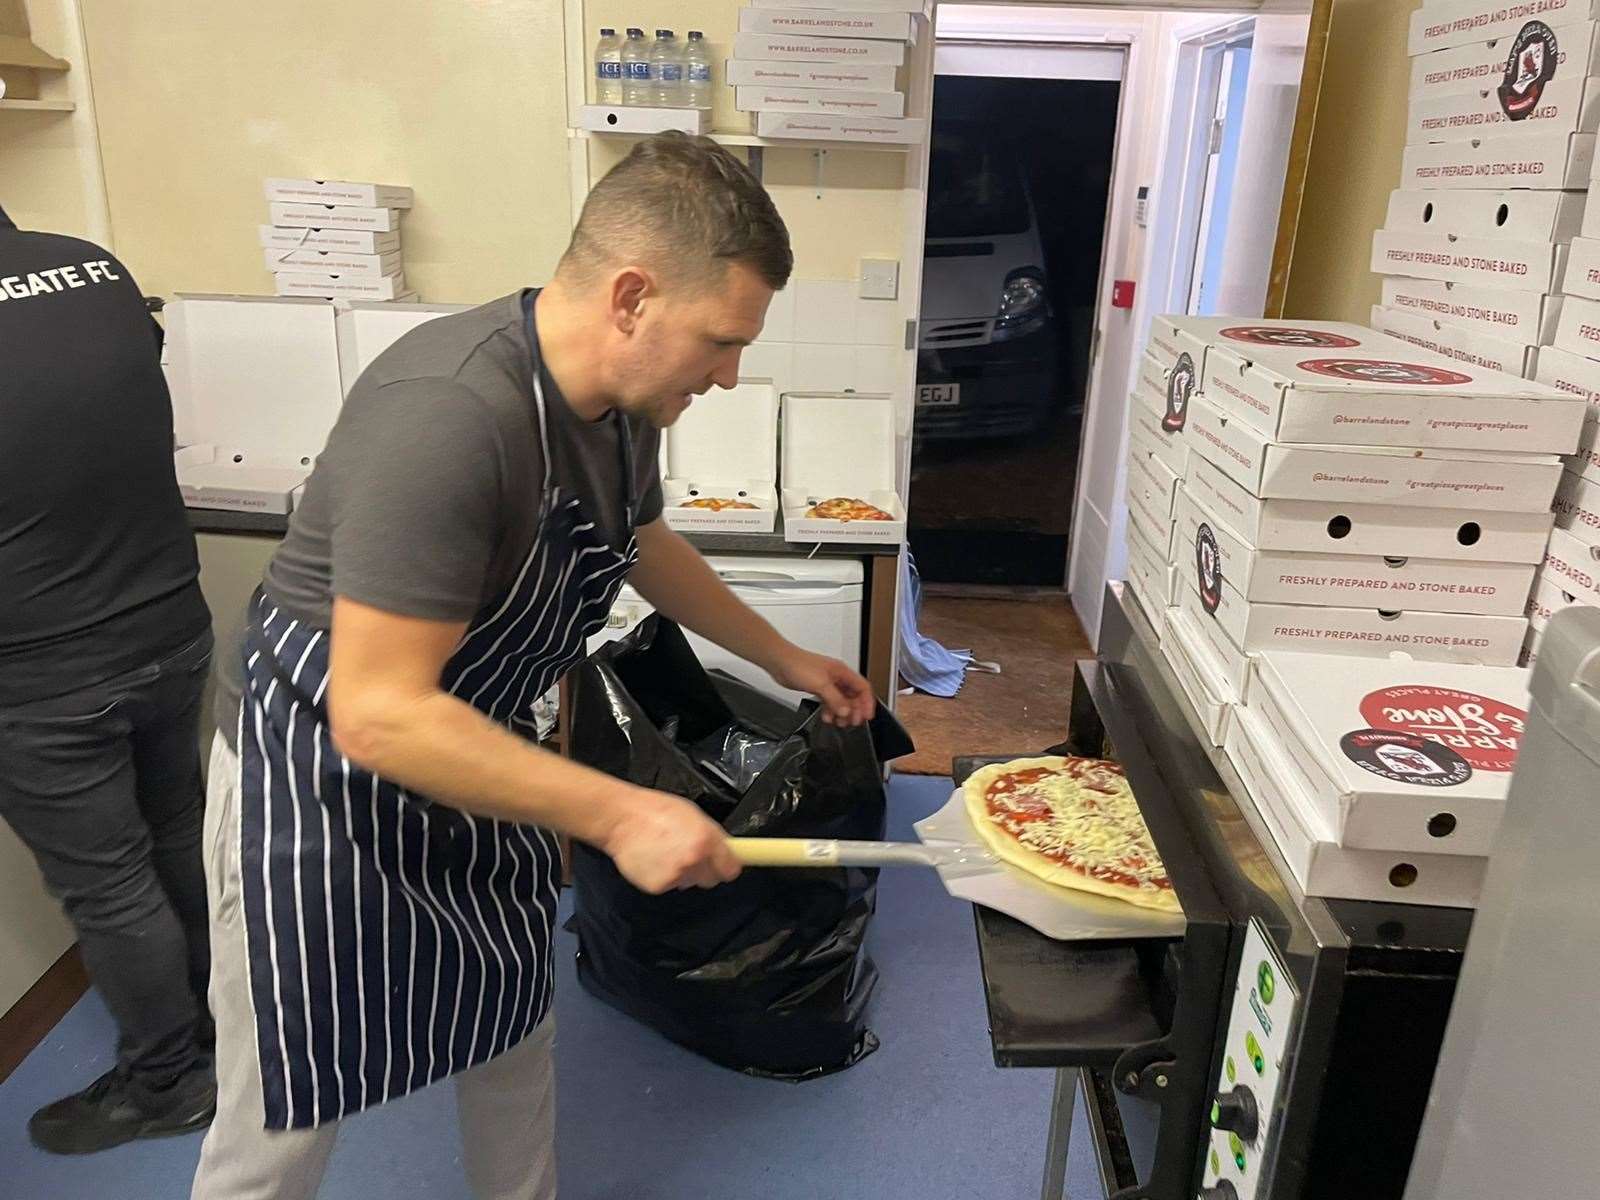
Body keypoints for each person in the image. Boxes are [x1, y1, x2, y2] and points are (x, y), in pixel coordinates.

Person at [191, 132, 876, 1200]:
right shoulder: (450, 417)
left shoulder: (617, 406)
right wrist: (619, 813)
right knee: (287, 1104)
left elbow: (641, 541)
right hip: (318, 787)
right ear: (633, 296)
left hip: (470, 749)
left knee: (512, 1024)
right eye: (721, 340)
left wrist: (785, 656)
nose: (731, 375)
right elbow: (374, 714)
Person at [0, 203, 217, 1152]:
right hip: (169, 618)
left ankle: (168, 1081)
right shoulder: (91, 266)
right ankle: (223, 1028)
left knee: (111, 887)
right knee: (175, 833)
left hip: (44, 670)